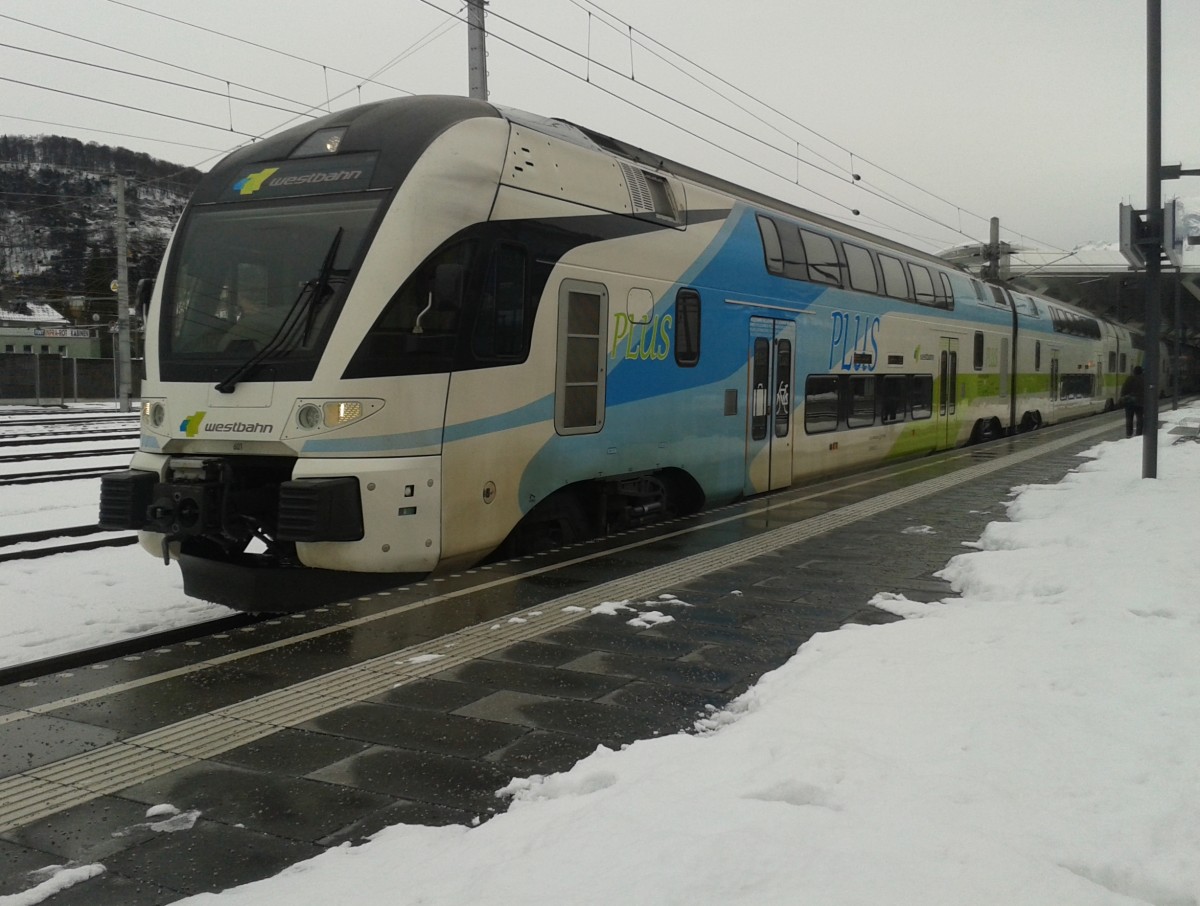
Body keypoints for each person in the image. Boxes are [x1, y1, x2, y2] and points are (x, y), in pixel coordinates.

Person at [1120, 365, 1145, 438]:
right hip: (1140, 402)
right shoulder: (1144, 379)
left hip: (1130, 402)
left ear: (1134, 372)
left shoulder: (1129, 379)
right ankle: (1139, 433)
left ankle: (1129, 434)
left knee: (1129, 419)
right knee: (1140, 419)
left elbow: (1124, 390)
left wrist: (1123, 398)